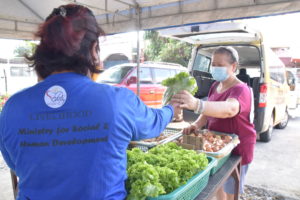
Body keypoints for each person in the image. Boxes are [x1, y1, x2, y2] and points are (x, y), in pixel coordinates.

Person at [0, 4, 179, 200]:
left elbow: (16, 164)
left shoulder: (12, 108)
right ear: (94, 49)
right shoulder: (117, 101)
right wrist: (171, 109)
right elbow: (153, 123)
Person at [172, 46, 256, 200]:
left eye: (220, 65)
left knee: (231, 190)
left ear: (233, 66)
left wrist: (197, 104)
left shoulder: (241, 90)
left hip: (238, 149)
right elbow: (207, 113)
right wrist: (196, 125)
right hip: (219, 148)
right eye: (213, 64)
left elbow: (229, 109)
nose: (215, 68)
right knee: (217, 184)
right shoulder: (215, 86)